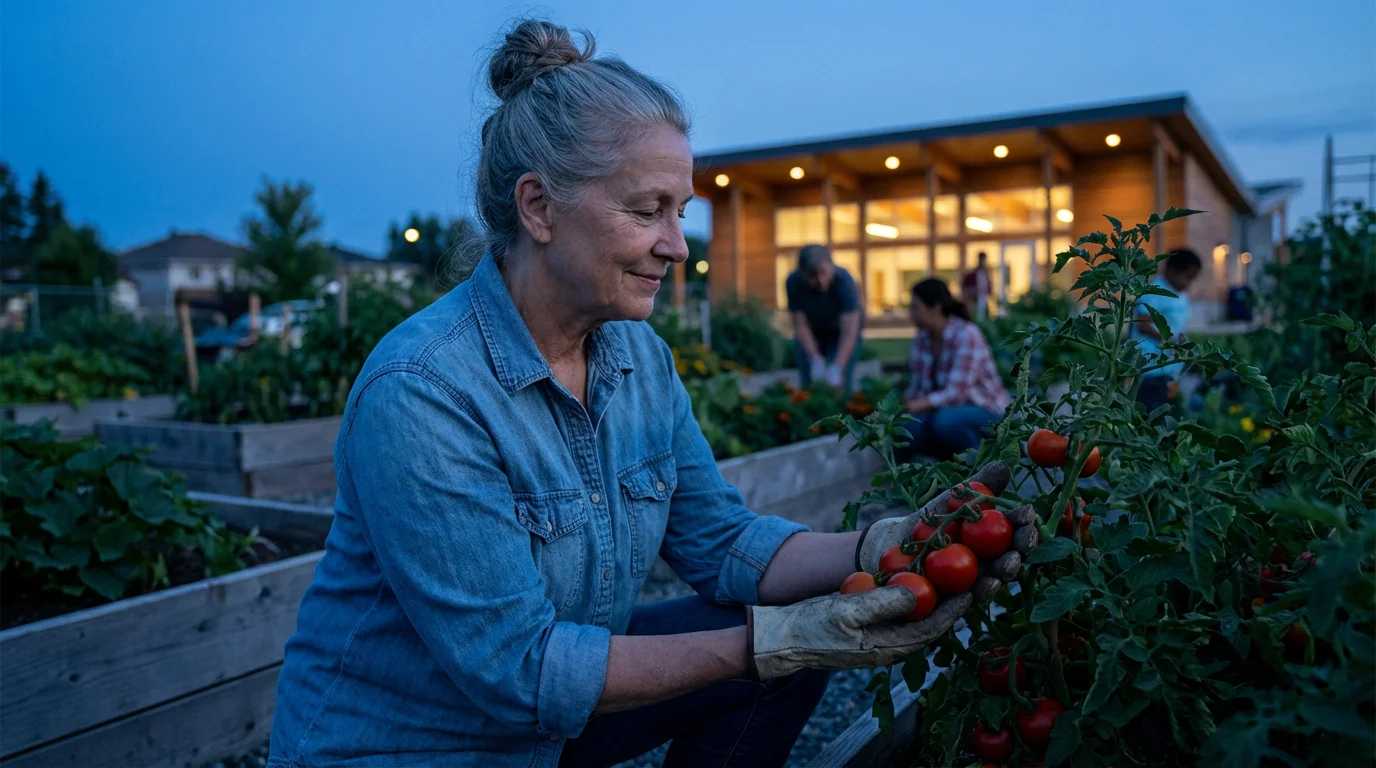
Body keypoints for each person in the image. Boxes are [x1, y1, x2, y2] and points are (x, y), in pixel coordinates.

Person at [266, 20, 1033, 768]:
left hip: (544, 725)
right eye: (646, 210)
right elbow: (518, 669)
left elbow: (720, 542)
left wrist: (886, 544)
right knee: (770, 646)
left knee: (775, 649)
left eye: (681, 213)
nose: (676, 246)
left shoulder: (638, 358)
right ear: (538, 208)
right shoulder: (424, 391)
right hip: (416, 742)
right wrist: (782, 638)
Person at [898, 279, 1011, 462]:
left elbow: (958, 393)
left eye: (915, 307)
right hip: (943, 411)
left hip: (985, 409)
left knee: (946, 422)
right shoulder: (922, 338)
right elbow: (918, 388)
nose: (911, 313)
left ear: (935, 307)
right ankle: (937, 477)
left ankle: (979, 469)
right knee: (908, 428)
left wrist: (917, 405)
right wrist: (902, 405)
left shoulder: (966, 334)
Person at [1130, 248, 1202, 413]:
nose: (1188, 284)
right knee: (1148, 412)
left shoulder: (1181, 294)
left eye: (1192, 279)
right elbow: (1142, 323)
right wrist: (1169, 340)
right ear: (1170, 271)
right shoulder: (1154, 290)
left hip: (1169, 366)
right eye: (1186, 277)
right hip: (1150, 366)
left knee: (1165, 410)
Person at [785, 244, 862, 391]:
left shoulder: (845, 283)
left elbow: (849, 333)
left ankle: (844, 406)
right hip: (812, 332)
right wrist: (815, 359)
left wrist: (837, 367)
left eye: (823, 273)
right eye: (812, 276)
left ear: (832, 267)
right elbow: (800, 325)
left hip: (841, 334)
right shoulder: (794, 283)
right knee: (809, 380)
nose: (820, 281)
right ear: (802, 274)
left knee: (841, 381)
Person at [960, 251, 991, 320]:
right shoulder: (971, 275)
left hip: (983, 300)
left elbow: (988, 288)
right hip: (973, 301)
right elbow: (965, 288)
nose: (983, 262)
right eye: (982, 260)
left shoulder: (986, 273)